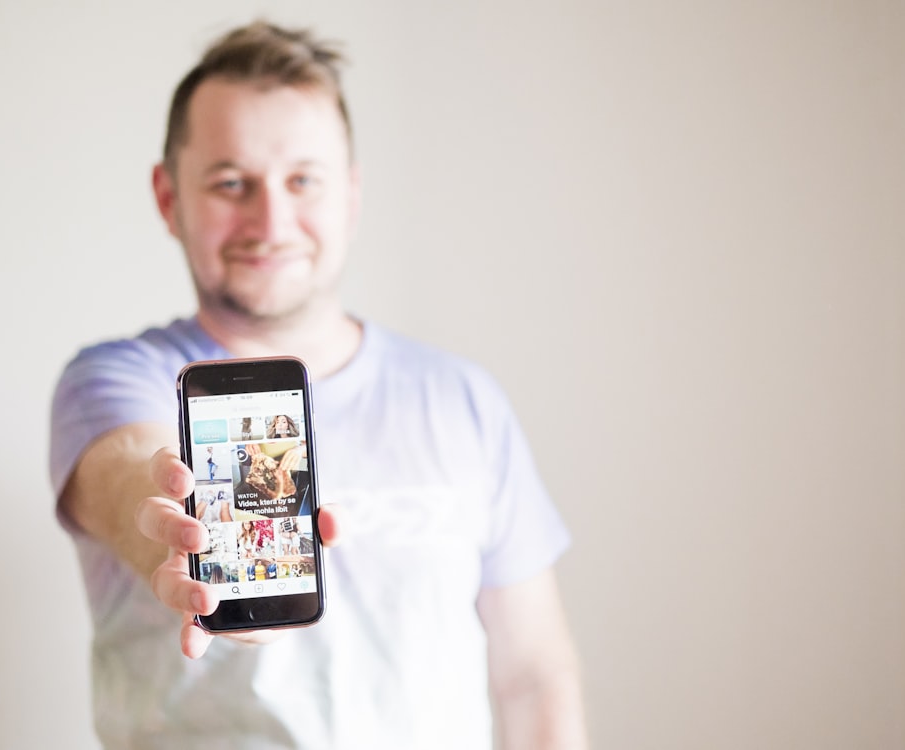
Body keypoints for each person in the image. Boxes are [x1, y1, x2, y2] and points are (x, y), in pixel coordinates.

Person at [49, 20, 587, 749]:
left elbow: (532, 674)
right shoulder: (115, 379)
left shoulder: (463, 399)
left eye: (303, 180)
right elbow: (127, 482)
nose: (271, 220)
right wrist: (176, 536)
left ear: (351, 196)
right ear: (168, 197)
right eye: (231, 182)